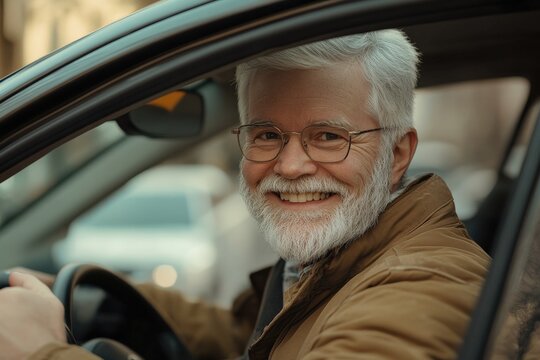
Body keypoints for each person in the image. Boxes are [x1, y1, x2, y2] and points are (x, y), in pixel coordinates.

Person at [0, 30, 490, 359]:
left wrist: (41, 351)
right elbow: (247, 337)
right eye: (267, 134)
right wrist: (74, 294)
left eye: (328, 137)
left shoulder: (425, 284)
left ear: (398, 154)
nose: (291, 165)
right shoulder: (343, 262)